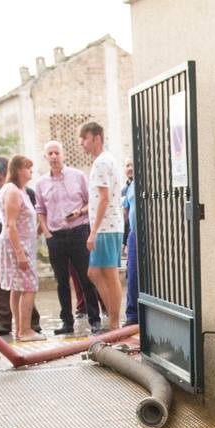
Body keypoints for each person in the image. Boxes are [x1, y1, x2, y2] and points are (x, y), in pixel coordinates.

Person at [33, 140, 102, 336]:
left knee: (86, 277)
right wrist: (47, 233)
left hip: (78, 231)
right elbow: (40, 210)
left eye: (57, 153)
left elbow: (91, 202)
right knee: (61, 281)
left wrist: (80, 212)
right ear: (45, 157)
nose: (54, 156)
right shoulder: (40, 183)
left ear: (63, 155)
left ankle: (94, 319)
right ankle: (67, 322)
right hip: (56, 237)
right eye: (50, 153)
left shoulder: (78, 176)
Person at [0, 155, 40, 336]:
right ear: (19, 170)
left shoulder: (19, 190)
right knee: (29, 286)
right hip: (16, 245)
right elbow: (11, 224)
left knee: (17, 287)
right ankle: (25, 329)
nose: (31, 172)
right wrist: (20, 253)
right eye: (28, 168)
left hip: (21, 243)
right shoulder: (12, 191)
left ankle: (20, 328)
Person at [78, 122, 123, 332]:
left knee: (106, 274)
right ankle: (114, 319)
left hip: (106, 226)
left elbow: (104, 198)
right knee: (96, 272)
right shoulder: (106, 161)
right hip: (109, 225)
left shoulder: (101, 163)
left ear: (97, 138)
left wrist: (93, 231)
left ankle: (115, 321)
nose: (81, 144)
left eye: (84, 139)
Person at [122, 159, 139, 326]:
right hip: (133, 235)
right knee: (131, 274)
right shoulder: (127, 188)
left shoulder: (143, 185)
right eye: (127, 165)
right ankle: (133, 315)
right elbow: (125, 215)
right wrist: (124, 241)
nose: (129, 168)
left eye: (132, 164)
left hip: (146, 233)